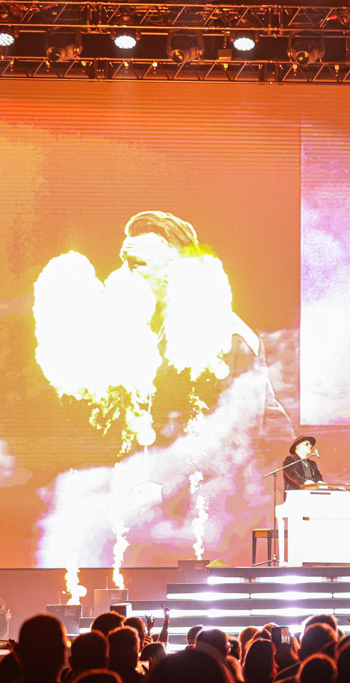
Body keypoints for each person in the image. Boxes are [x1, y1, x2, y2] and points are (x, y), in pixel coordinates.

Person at [34, 210, 296, 567]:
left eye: (136, 265)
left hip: (221, 515)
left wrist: (164, 490)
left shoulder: (224, 338)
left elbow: (234, 442)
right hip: (168, 505)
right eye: (123, 263)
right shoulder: (143, 336)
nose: (123, 275)